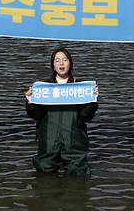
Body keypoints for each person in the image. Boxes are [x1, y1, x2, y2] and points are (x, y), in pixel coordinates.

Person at [25, 47, 98, 176]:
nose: (61, 63)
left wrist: (93, 100)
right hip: (49, 139)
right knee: (44, 171)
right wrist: (30, 102)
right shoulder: (44, 88)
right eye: (57, 60)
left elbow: (86, 116)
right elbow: (37, 115)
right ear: (53, 65)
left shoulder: (80, 88)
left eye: (65, 60)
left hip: (73, 140)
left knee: (78, 172)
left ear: (70, 63)